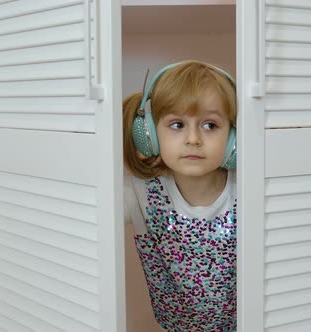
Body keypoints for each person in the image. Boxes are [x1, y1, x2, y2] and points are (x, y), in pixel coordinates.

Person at [123, 60, 237, 332]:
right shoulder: (140, 190)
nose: (193, 139)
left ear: (233, 137)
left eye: (210, 125)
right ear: (149, 134)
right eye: (177, 124)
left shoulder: (249, 189)